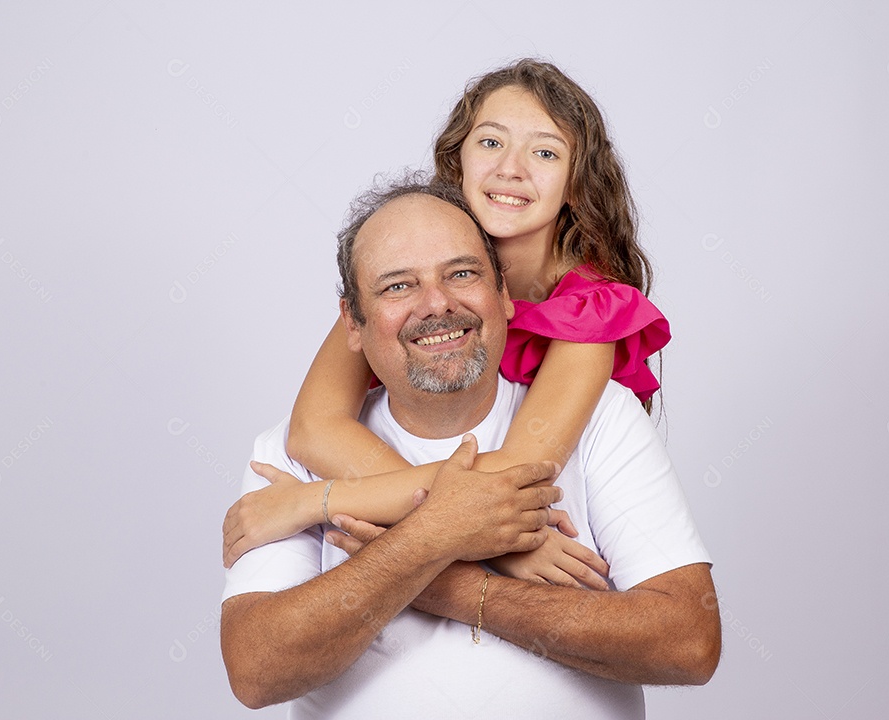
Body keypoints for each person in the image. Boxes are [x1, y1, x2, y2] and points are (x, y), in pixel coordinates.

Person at [220, 180, 719, 716]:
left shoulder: (599, 417)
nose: (437, 304)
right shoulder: (291, 452)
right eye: (397, 287)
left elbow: (687, 643)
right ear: (352, 322)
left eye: (462, 273)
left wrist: (449, 585)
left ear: (503, 293)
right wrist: (437, 535)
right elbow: (256, 668)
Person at [222, 60, 671, 587]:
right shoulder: (407, 288)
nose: (511, 169)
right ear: (456, 161)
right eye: (490, 142)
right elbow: (314, 429)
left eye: (545, 152)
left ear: (576, 185)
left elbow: (511, 485)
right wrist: (485, 543)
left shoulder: (590, 310)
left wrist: (312, 501)